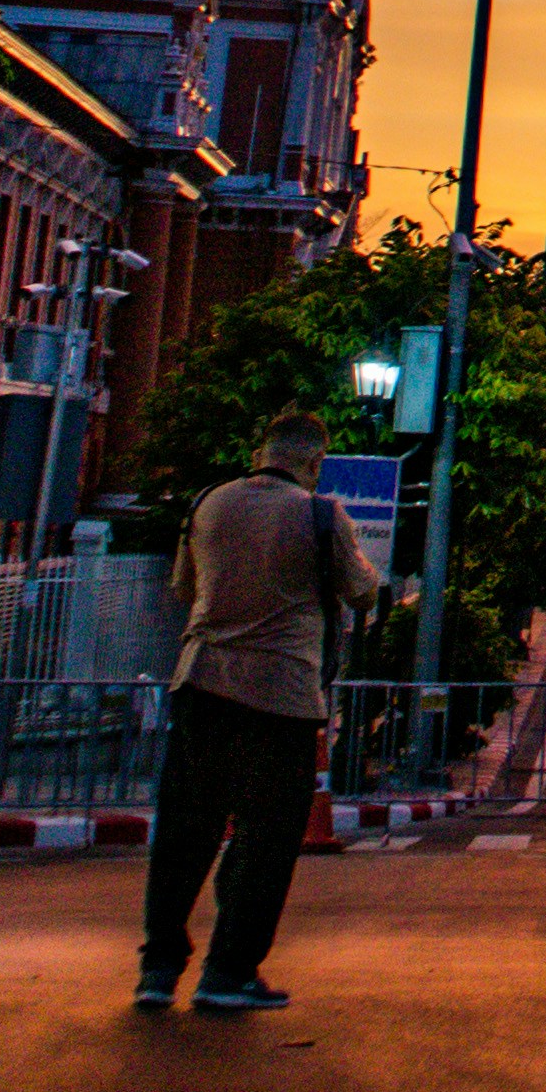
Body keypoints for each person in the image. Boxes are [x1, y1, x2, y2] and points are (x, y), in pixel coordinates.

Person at [140, 411, 386, 1015]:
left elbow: (183, 588)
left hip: (200, 682)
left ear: (260, 452)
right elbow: (362, 592)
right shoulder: (321, 514)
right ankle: (228, 971)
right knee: (266, 838)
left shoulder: (208, 502)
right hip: (281, 697)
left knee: (183, 833)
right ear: (314, 462)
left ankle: (158, 971)